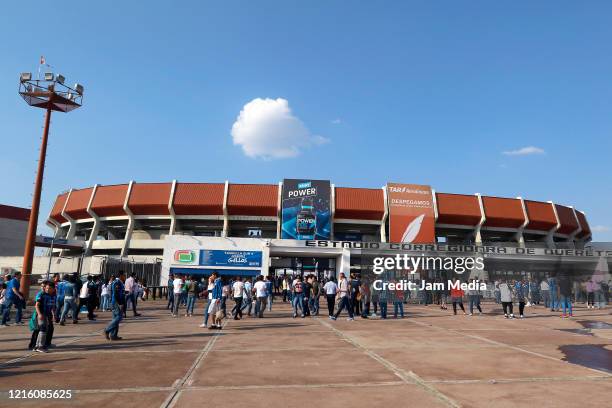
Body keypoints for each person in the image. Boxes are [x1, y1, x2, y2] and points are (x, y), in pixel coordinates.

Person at [29, 280, 56, 353]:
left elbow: (52, 306)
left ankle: (37, 346)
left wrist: (53, 315)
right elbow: (37, 305)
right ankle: (40, 346)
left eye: (49, 288)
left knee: (44, 329)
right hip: (41, 314)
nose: (47, 289)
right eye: (46, 288)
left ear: (53, 289)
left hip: (47, 315)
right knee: (42, 329)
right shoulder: (42, 295)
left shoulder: (52, 296)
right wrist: (40, 314)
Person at [104, 271, 125, 341]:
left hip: (114, 301)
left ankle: (113, 335)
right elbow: (115, 294)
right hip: (115, 302)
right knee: (119, 317)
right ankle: (107, 330)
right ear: (121, 275)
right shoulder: (117, 282)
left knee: (115, 319)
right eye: (124, 275)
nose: (124, 276)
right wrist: (120, 303)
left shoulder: (117, 282)